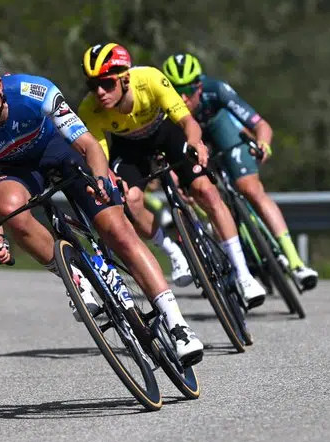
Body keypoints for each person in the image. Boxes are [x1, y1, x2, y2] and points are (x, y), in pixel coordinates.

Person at [0, 44, 203, 364]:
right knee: (7, 209)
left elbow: (87, 145)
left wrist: (102, 182)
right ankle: (72, 276)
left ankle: (177, 324)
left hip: (59, 151)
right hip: (14, 170)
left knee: (118, 230)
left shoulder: (35, 91)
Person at [77, 43, 267, 309]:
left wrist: (195, 144)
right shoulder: (90, 109)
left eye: (107, 84)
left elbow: (188, 122)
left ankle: (244, 275)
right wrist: (109, 180)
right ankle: (173, 252)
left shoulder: (151, 79)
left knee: (206, 191)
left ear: (125, 78)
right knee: (130, 200)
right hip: (129, 148)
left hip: (167, 134)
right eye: (93, 85)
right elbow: (100, 157)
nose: (99, 92)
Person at [161, 53, 319, 290]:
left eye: (188, 90)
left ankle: (295, 263)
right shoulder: (163, 104)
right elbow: (163, 153)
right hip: (194, 145)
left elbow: (260, 125)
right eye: (176, 90)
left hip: (223, 133)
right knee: (203, 196)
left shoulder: (216, 90)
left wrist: (263, 143)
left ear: (199, 86)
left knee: (250, 188)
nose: (183, 98)